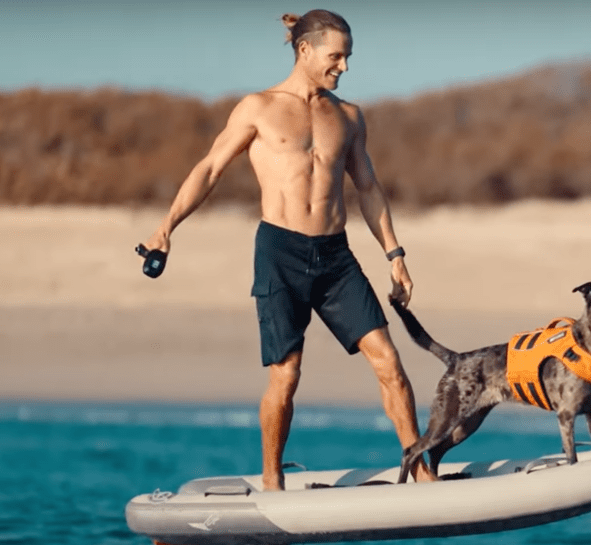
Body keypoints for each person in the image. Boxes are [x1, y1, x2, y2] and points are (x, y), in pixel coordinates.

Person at [140, 9, 438, 488]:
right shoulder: (257, 108)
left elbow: (368, 187)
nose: (344, 67)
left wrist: (395, 253)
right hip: (280, 252)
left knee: (388, 361)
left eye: (348, 57)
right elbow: (210, 168)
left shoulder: (348, 116)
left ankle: (419, 468)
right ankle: (273, 481)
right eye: (336, 56)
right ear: (306, 50)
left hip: (336, 257)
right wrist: (166, 227)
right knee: (286, 374)